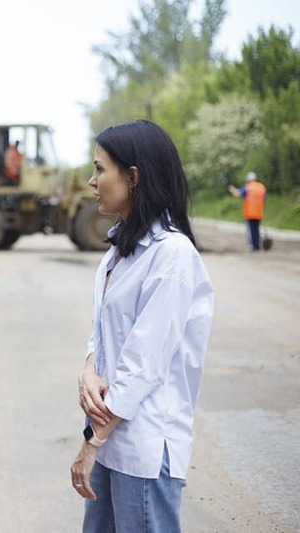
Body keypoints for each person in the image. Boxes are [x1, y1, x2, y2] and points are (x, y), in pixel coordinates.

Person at [71, 120, 214, 532]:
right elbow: (103, 329)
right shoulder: (120, 249)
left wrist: (92, 442)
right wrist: (89, 367)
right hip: (112, 433)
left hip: (143, 444)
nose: (91, 180)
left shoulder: (172, 255)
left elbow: (144, 362)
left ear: (132, 177)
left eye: (100, 169)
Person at [228, 171, 267, 251]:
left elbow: (238, 194)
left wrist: (232, 189)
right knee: (256, 229)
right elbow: (264, 198)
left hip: (250, 212)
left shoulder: (248, 187)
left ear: (248, 179)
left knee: (251, 230)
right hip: (258, 212)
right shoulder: (261, 187)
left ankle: (253, 246)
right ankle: (257, 246)